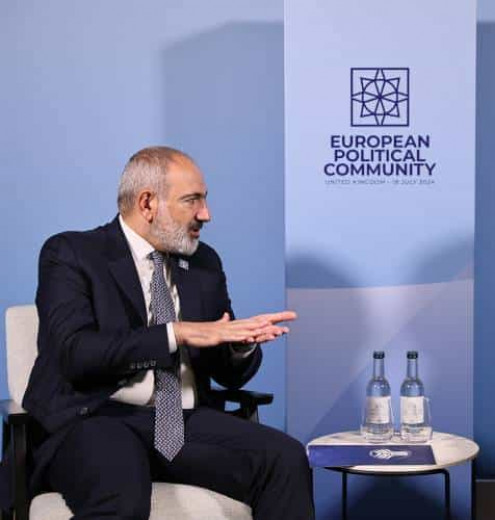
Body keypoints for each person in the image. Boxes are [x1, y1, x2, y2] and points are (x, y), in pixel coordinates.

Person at [21, 147, 314, 520]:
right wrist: (175, 333)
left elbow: (227, 372)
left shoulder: (203, 262)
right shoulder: (72, 253)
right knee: (120, 489)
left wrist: (238, 346)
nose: (205, 214)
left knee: (286, 459)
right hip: (96, 419)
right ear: (147, 203)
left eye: (204, 199)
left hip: (183, 423)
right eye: (192, 200)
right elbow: (75, 353)